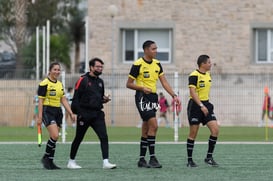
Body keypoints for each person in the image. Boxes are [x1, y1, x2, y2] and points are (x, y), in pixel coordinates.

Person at [126, 40, 180, 168]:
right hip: (142, 97)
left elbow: (164, 82)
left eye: (156, 48)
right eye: (153, 49)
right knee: (154, 125)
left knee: (146, 128)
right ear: (146, 50)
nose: (156, 51)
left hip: (153, 98)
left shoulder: (157, 64)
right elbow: (128, 84)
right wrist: (142, 88)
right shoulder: (138, 64)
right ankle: (152, 158)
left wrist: (174, 95)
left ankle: (141, 160)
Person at [67, 57, 116, 169]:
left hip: (97, 114)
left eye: (101, 67)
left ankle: (106, 162)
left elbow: (99, 97)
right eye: (98, 67)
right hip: (84, 114)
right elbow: (76, 98)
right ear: (91, 67)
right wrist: (75, 113)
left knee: (104, 136)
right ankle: (71, 161)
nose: (100, 69)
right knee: (78, 138)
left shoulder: (100, 82)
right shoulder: (82, 80)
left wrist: (104, 100)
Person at [37, 62, 76, 170]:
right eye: (55, 69)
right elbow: (40, 101)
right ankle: (46, 157)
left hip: (58, 112)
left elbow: (63, 99)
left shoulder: (59, 84)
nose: (57, 72)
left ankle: (50, 161)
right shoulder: (44, 83)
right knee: (55, 135)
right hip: (47, 111)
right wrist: (39, 117)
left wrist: (71, 112)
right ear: (50, 71)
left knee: (53, 138)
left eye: (59, 70)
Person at [186, 54, 219, 167]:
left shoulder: (208, 75)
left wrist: (205, 105)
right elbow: (192, 92)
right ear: (203, 64)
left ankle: (208, 158)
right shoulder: (194, 75)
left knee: (215, 130)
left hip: (207, 104)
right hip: (195, 106)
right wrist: (201, 105)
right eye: (209, 62)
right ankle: (190, 161)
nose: (211, 64)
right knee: (193, 133)